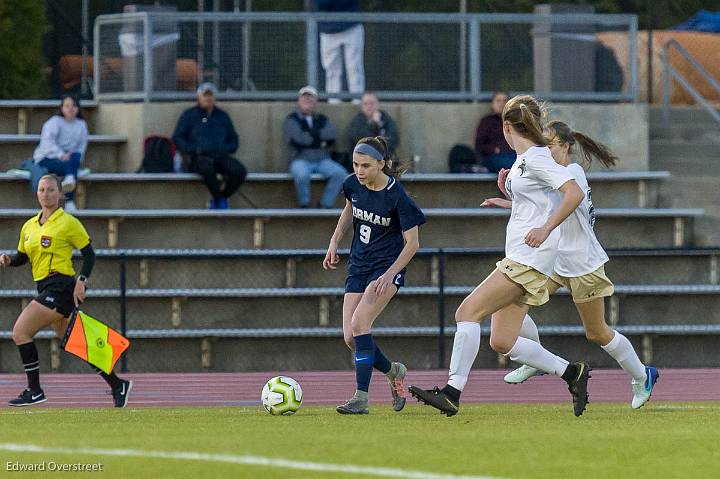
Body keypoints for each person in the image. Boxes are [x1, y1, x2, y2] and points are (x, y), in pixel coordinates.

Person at [409, 96, 591, 417]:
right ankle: (571, 372)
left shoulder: (536, 158)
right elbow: (540, 201)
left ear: (507, 127)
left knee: (467, 313)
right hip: (527, 257)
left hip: (527, 258)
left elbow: (573, 194)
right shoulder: (526, 159)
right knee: (503, 341)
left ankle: (452, 392)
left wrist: (547, 229)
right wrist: (509, 198)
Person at [485, 121, 659, 409]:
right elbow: (540, 205)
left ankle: (643, 375)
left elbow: (556, 206)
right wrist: (509, 196)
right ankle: (536, 360)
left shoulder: (572, 173)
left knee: (597, 332)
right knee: (512, 301)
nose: (544, 151)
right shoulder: (553, 173)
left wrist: (512, 197)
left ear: (566, 146)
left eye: (550, 145)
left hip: (582, 264)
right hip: (553, 261)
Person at [0, 175, 132, 408]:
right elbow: (23, 257)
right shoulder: (29, 225)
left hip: (60, 286)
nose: (45, 194)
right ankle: (117, 384)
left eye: (51, 190)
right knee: (76, 341)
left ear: (60, 194)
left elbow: (89, 254)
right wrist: (9, 260)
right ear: (37, 193)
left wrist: (82, 281)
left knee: (20, 331)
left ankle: (35, 390)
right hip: (45, 286)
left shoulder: (68, 222)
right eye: (41, 189)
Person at [323, 136, 425, 414]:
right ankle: (394, 372)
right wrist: (334, 241)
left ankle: (361, 398)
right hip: (359, 265)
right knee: (350, 337)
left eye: (366, 165)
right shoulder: (353, 184)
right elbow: (348, 212)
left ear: (382, 164)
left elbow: (413, 244)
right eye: (356, 164)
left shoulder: (397, 196)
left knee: (360, 323)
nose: (360, 171)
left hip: (386, 268)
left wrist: (390, 274)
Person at [173, 82, 247, 209]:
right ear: (199, 97)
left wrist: (226, 148)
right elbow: (177, 137)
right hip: (198, 158)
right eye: (205, 95)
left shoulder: (223, 116)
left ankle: (222, 197)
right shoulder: (189, 115)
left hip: (220, 157)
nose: (208, 98)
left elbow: (233, 138)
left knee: (239, 171)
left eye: (210, 95)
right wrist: (193, 149)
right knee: (207, 170)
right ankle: (218, 201)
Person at [284, 86, 348, 208]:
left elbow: (331, 135)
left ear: (316, 101)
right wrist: (319, 139)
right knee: (301, 175)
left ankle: (325, 204)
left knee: (340, 173)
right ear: (299, 100)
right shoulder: (292, 119)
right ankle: (304, 204)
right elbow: (297, 139)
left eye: (310, 97)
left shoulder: (322, 119)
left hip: (322, 159)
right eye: (304, 97)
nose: (307, 99)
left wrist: (311, 136)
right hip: (300, 159)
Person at [32, 95, 88, 213]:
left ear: (78, 108)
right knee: (71, 170)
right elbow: (47, 143)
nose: (70, 109)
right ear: (62, 108)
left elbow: (82, 146)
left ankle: (69, 180)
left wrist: (71, 156)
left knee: (75, 158)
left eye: (74, 106)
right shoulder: (54, 122)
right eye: (67, 106)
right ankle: (70, 201)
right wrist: (61, 155)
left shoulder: (81, 124)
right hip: (48, 157)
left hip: (70, 158)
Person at [316, 0, 365, 103]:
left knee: (354, 67)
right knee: (331, 70)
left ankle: (358, 101)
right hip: (328, 29)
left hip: (351, 25)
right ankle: (333, 101)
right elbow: (321, 4)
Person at [346, 92, 400, 158]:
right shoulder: (357, 122)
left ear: (377, 104)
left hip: (385, 158)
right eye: (366, 104)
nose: (369, 106)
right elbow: (362, 142)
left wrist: (380, 124)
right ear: (362, 106)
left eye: (372, 103)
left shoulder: (386, 118)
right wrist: (374, 125)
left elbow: (394, 140)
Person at [475, 91, 515, 173]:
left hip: (514, 154)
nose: (502, 104)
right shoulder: (487, 121)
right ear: (492, 104)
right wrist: (494, 150)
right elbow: (479, 145)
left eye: (505, 101)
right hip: (494, 157)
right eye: (498, 101)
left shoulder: (515, 121)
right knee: (509, 166)